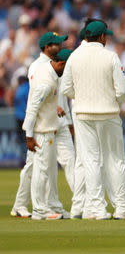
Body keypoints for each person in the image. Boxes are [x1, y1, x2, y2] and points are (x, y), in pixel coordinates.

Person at [61, 21, 125, 220]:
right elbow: (121, 90)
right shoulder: (110, 56)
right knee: (115, 160)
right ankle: (123, 208)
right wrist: (114, 103)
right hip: (108, 113)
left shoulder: (74, 56)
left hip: (83, 114)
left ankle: (97, 209)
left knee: (90, 161)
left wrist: (82, 97)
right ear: (101, 37)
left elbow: (66, 88)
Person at [11, 32, 73, 218]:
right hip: (41, 125)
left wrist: (64, 116)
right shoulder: (39, 68)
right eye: (57, 44)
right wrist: (29, 135)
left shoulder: (54, 67)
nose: (60, 46)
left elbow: (56, 97)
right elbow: (35, 101)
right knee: (36, 167)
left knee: (47, 167)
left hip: (52, 122)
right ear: (47, 47)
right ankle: (30, 207)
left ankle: (51, 204)